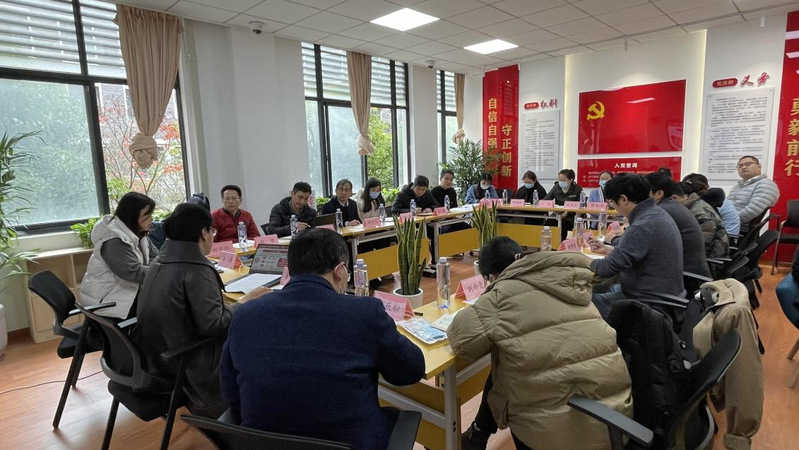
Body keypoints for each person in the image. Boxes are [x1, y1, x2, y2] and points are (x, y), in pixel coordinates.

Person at [220, 228, 425, 449]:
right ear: (340, 271)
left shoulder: (245, 314)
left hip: (263, 444)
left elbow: (231, 392)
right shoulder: (364, 312)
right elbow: (410, 371)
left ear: (290, 270)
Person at [450, 237, 632, 450]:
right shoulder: (568, 280)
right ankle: (478, 434)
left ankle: (477, 435)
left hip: (569, 434)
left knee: (509, 367)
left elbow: (461, 342)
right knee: (513, 361)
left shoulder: (500, 297)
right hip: (616, 422)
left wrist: (488, 297)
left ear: (491, 276)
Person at [131, 203, 268, 418]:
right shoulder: (196, 268)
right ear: (204, 233)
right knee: (259, 338)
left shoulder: (159, 261)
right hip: (187, 363)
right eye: (212, 231)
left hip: (153, 358)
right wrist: (244, 302)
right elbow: (215, 325)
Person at [587, 174, 685, 320]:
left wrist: (582, 259)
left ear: (623, 199)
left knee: (583, 300)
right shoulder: (656, 213)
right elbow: (639, 250)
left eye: (612, 202)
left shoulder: (642, 225)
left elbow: (606, 269)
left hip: (649, 303)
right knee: (597, 288)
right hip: (664, 294)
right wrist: (608, 250)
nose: (613, 208)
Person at [80, 192, 158, 320]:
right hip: (109, 304)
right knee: (165, 312)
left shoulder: (139, 234)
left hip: (124, 295)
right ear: (132, 216)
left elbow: (156, 256)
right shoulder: (114, 241)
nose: (151, 219)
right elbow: (134, 272)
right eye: (147, 215)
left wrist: (160, 269)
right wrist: (164, 272)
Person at [645, 172, 711, 279]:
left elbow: (643, 243)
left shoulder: (662, 211)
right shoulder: (673, 206)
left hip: (684, 276)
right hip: (691, 271)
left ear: (659, 194)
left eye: (644, 193)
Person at [675, 181, 730, 259]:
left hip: (712, 258)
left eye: (673, 198)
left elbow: (703, 243)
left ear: (685, 196)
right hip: (707, 254)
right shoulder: (695, 205)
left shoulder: (701, 212)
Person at [727, 155, 780, 232]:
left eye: (748, 164)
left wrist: (726, 220)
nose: (743, 167)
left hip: (737, 227)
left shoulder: (766, 185)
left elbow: (750, 212)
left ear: (759, 167)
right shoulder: (738, 186)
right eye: (740, 166)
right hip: (727, 223)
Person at [544, 169, 583, 240]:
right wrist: (552, 207)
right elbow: (546, 199)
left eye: (563, 180)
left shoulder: (577, 189)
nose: (561, 182)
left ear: (571, 180)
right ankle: (551, 242)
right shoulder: (556, 187)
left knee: (563, 223)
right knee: (549, 221)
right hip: (557, 213)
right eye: (560, 180)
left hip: (571, 215)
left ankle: (561, 243)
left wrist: (567, 212)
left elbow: (581, 205)